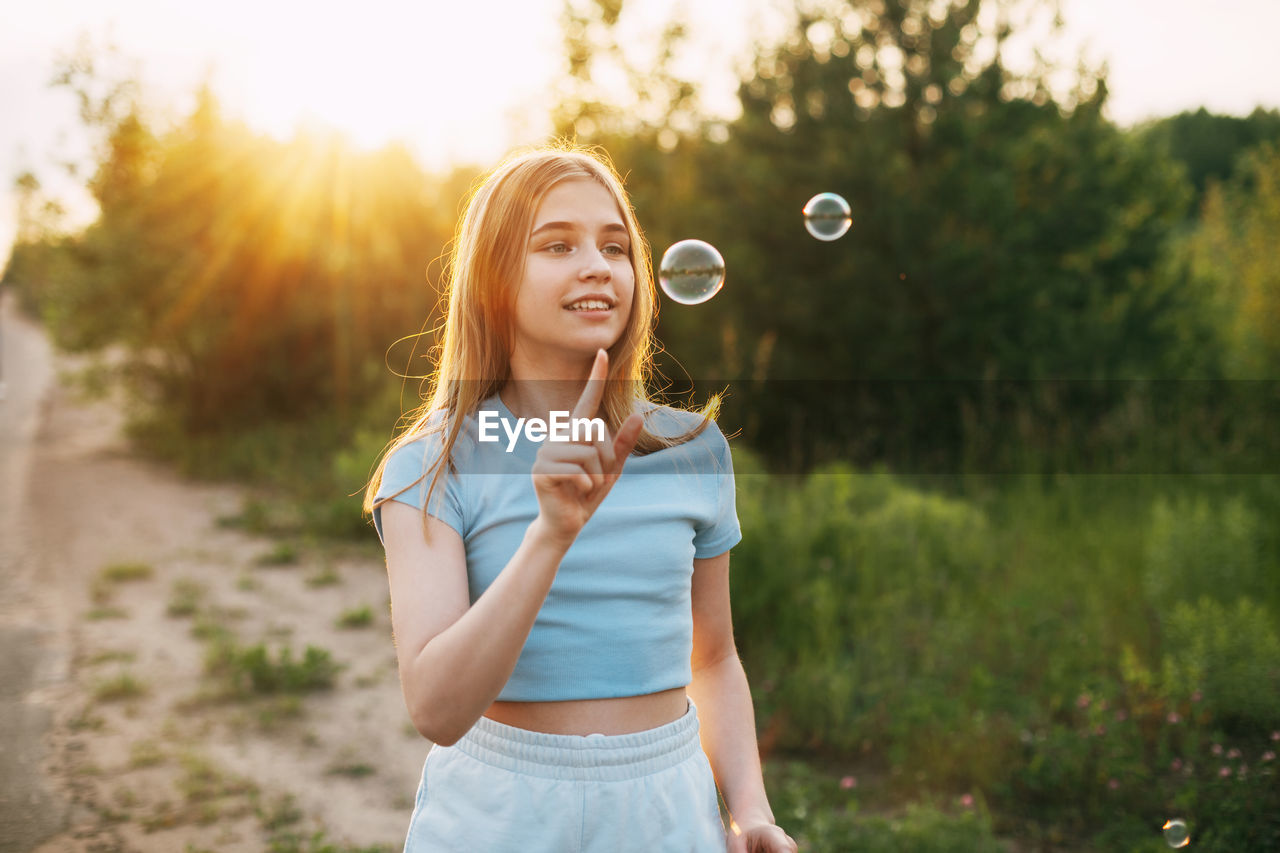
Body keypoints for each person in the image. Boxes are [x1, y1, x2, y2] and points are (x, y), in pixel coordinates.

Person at [364, 142, 797, 853]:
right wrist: (551, 533)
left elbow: (713, 657)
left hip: (666, 803)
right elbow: (437, 707)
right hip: (500, 809)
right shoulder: (430, 463)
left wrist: (750, 808)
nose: (597, 264)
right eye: (557, 244)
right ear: (494, 279)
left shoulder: (692, 449)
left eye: (616, 246)